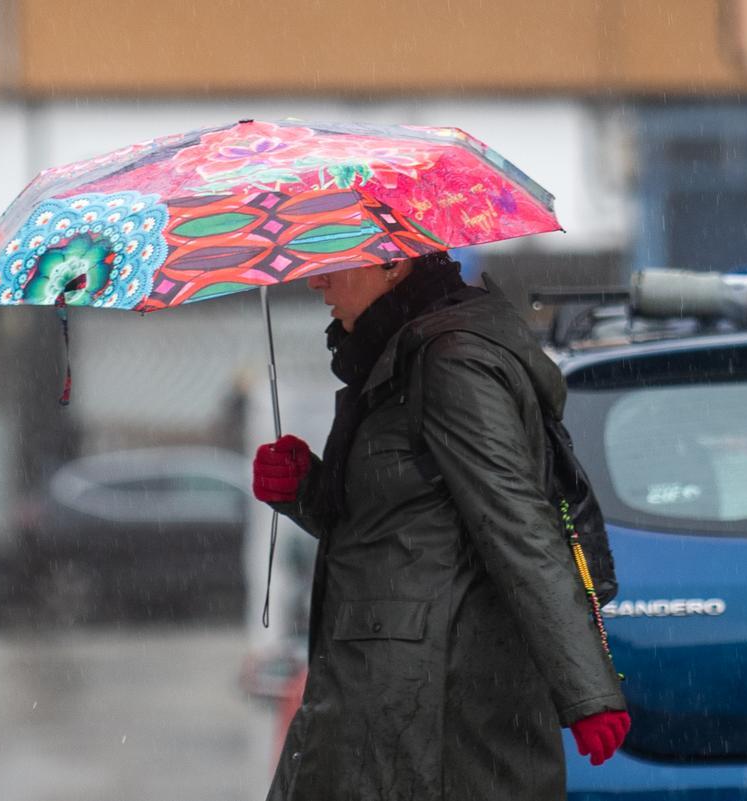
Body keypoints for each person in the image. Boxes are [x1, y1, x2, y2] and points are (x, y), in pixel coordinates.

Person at [251, 251, 629, 801]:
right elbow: (398, 529)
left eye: (333, 261)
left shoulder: (450, 361)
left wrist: (588, 690)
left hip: (435, 711)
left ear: (393, 263)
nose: (316, 280)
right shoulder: (397, 357)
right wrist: (305, 489)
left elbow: (517, 522)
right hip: (394, 698)